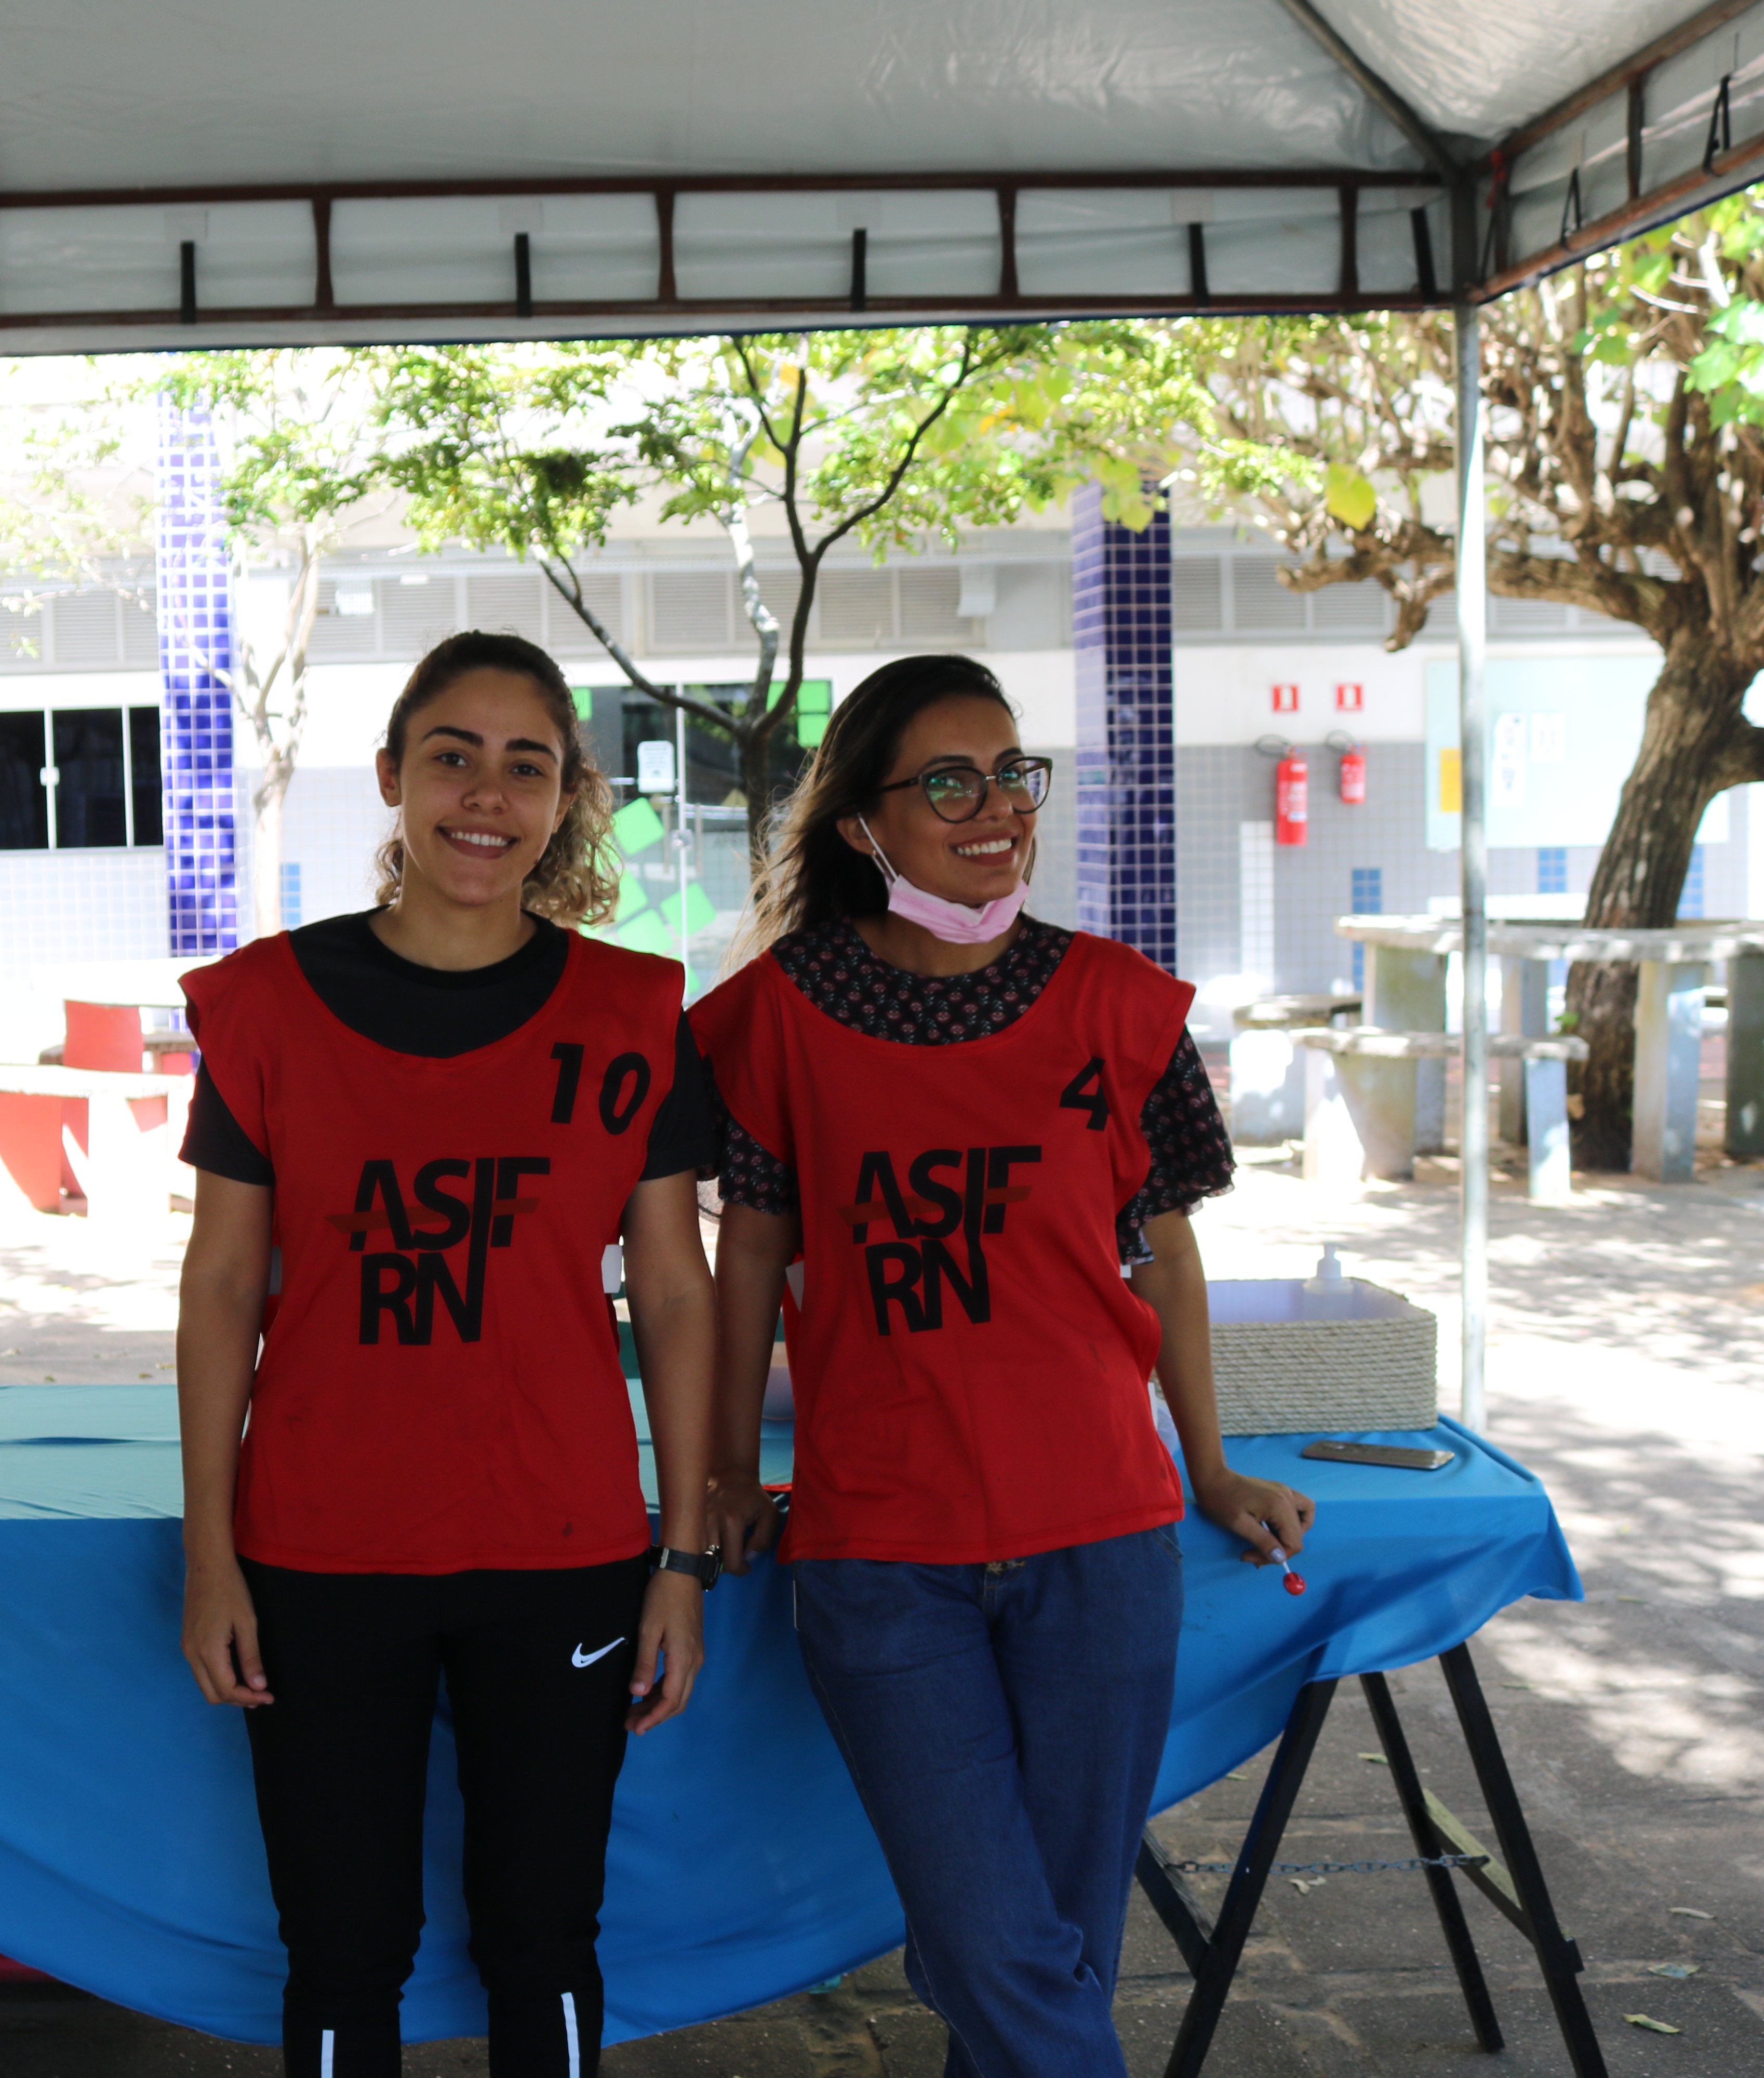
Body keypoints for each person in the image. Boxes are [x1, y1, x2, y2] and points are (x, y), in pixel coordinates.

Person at [690, 654, 1311, 2078]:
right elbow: (747, 1265)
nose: (998, 809)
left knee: (1061, 1937)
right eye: (950, 783)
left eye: (1013, 775)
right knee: (985, 1940)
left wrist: (1211, 1467)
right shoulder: (775, 1017)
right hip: (880, 1545)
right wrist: (721, 1471)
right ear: (865, 822)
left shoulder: (1122, 1006)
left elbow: (1164, 1259)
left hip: (1103, 1535)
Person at [173, 629, 722, 2078]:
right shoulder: (264, 1007)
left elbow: (675, 1294)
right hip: (317, 1547)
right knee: (342, 1944)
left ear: (566, 798)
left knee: (544, 1936)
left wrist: (681, 1559)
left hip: (563, 1549)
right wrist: (211, 1556)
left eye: (526, 766)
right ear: (391, 778)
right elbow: (221, 1286)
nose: (487, 795)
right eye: (453, 757)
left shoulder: (634, 1014)